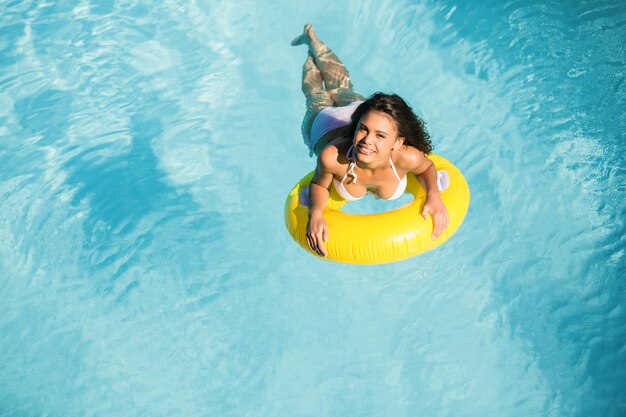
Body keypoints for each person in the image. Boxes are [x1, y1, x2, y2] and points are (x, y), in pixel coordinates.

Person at [292, 24, 449, 257]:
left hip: (362, 114)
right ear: (358, 125)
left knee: (340, 87)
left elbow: (426, 168)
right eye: (363, 130)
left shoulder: (407, 156)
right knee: (317, 94)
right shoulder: (333, 158)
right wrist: (315, 213)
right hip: (325, 123)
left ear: (397, 142)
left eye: (381, 136)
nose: (366, 141)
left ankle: (313, 42)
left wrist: (434, 196)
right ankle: (311, 49)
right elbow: (318, 184)